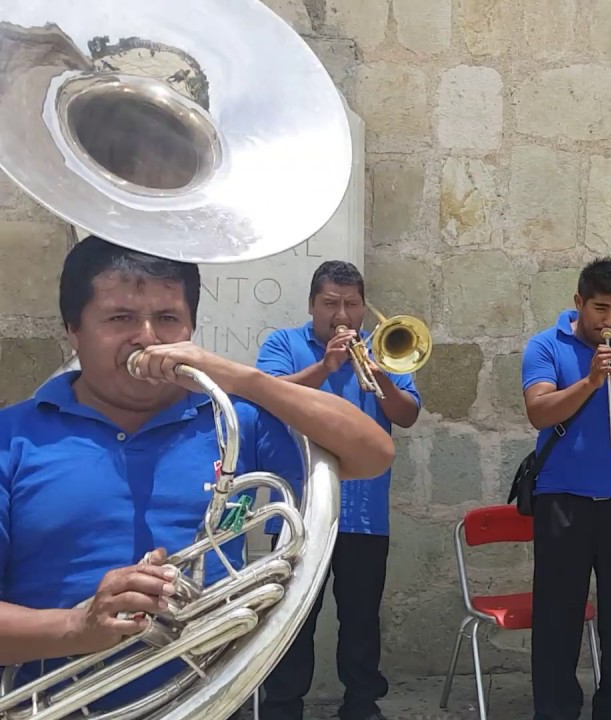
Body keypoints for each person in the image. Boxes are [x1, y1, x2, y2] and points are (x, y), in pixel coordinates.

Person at [0, 236, 394, 718]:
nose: (147, 337)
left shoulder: (232, 421)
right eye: (120, 318)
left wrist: (238, 378)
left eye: (168, 319)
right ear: (73, 330)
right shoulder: (11, 439)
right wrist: (76, 626)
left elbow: (373, 451)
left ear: (190, 327)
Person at [256, 260, 421, 720]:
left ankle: (362, 705)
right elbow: (267, 394)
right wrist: (325, 365)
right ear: (312, 305)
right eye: (331, 304)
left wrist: (380, 372)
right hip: (300, 510)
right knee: (291, 620)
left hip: (365, 512)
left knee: (362, 621)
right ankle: (284, 708)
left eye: (351, 304)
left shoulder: (384, 350)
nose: (341, 315)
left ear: (365, 307)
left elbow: (406, 415)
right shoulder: (284, 344)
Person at [520, 257, 611, 720]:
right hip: (562, 500)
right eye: (601, 308)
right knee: (558, 616)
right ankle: (557, 710)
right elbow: (539, 412)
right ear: (579, 302)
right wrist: (591, 381)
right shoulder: (545, 346)